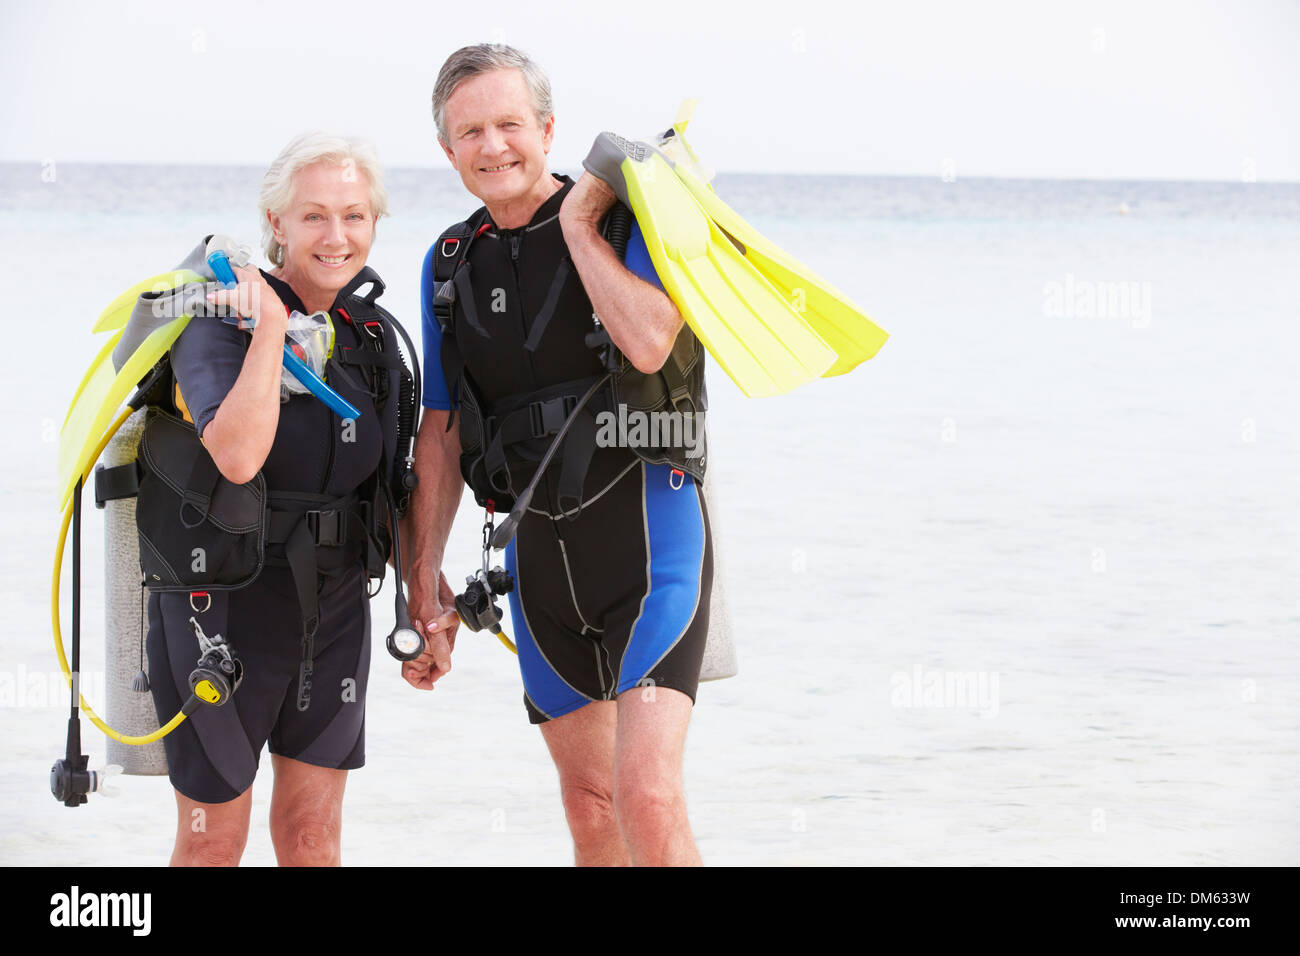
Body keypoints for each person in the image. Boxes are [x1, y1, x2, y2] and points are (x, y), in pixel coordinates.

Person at [405, 44, 712, 866]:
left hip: (652, 542)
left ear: (547, 128)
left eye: (510, 123)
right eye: (470, 131)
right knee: (590, 805)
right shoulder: (448, 266)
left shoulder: (621, 220)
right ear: (447, 150)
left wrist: (577, 222)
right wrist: (421, 572)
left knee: (647, 795)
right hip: (539, 564)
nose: (493, 146)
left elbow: (650, 342)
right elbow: (439, 432)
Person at [143, 131, 443, 866]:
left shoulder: (368, 335)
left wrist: (421, 602)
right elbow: (237, 456)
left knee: (314, 839)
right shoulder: (217, 318)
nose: (336, 236)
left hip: (336, 612)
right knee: (213, 844)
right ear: (275, 223)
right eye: (313, 216)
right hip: (221, 607)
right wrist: (272, 325)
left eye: (354, 215)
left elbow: (393, 484)